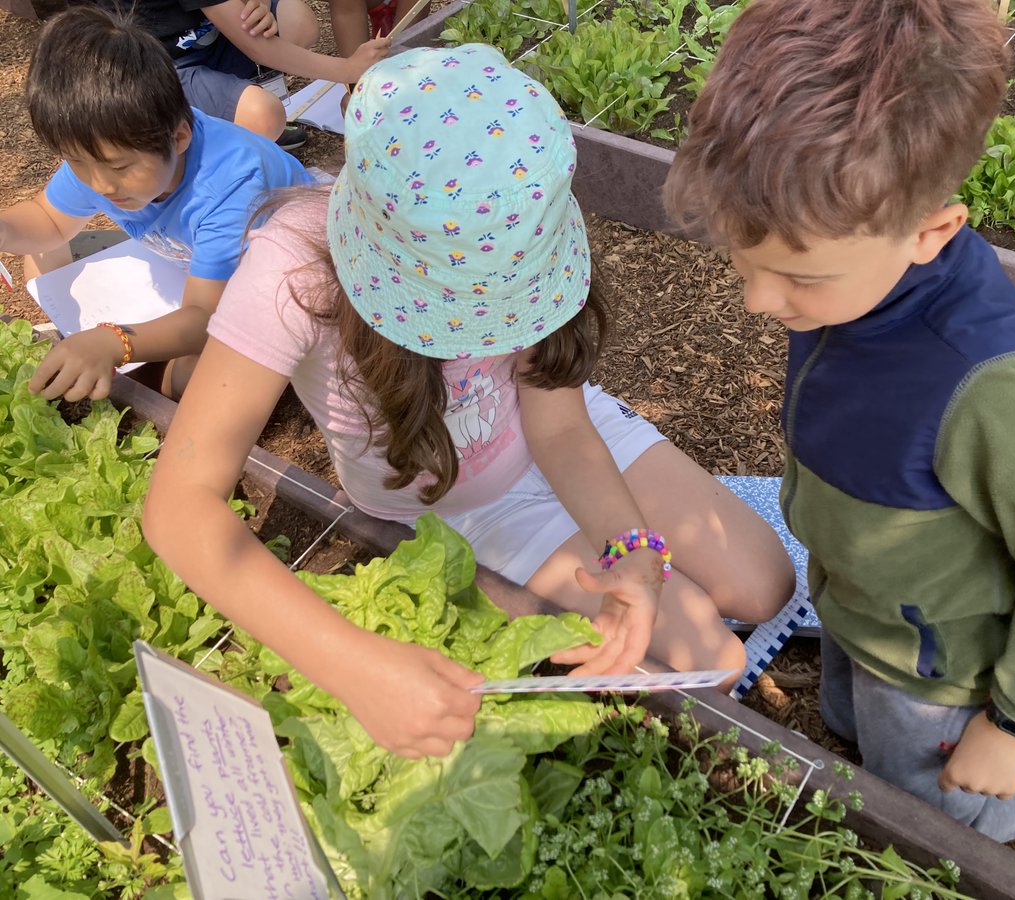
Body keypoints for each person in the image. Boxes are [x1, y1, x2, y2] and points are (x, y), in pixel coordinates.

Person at [141, 44, 795, 759]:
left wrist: (630, 548)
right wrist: (350, 662)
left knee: (765, 584)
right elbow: (178, 505)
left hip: (554, 443)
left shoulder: (507, 219)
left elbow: (561, 425)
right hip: (454, 504)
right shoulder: (293, 268)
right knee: (714, 665)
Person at [663, 0, 1015, 843]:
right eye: (746, 261)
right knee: (848, 719)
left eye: (797, 278)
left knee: (946, 808)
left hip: (947, 667)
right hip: (864, 604)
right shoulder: (852, 263)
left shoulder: (993, 391)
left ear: (932, 230)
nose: (760, 301)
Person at [1, 6, 312, 402]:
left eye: (119, 167)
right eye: (77, 162)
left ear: (179, 137)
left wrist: (115, 342)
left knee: (200, 377)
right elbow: (49, 219)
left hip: (286, 282)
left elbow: (203, 315)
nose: (99, 184)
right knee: (42, 253)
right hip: (193, 273)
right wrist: (5, 229)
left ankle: (136, 383)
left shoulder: (229, 185)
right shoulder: (112, 149)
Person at [99, 0, 394, 146]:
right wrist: (348, 69)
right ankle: (206, 140)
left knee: (297, 20)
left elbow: (252, 22)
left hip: (209, 41)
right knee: (265, 115)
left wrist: (261, 4)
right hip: (158, 71)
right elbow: (255, 46)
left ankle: (229, 115)